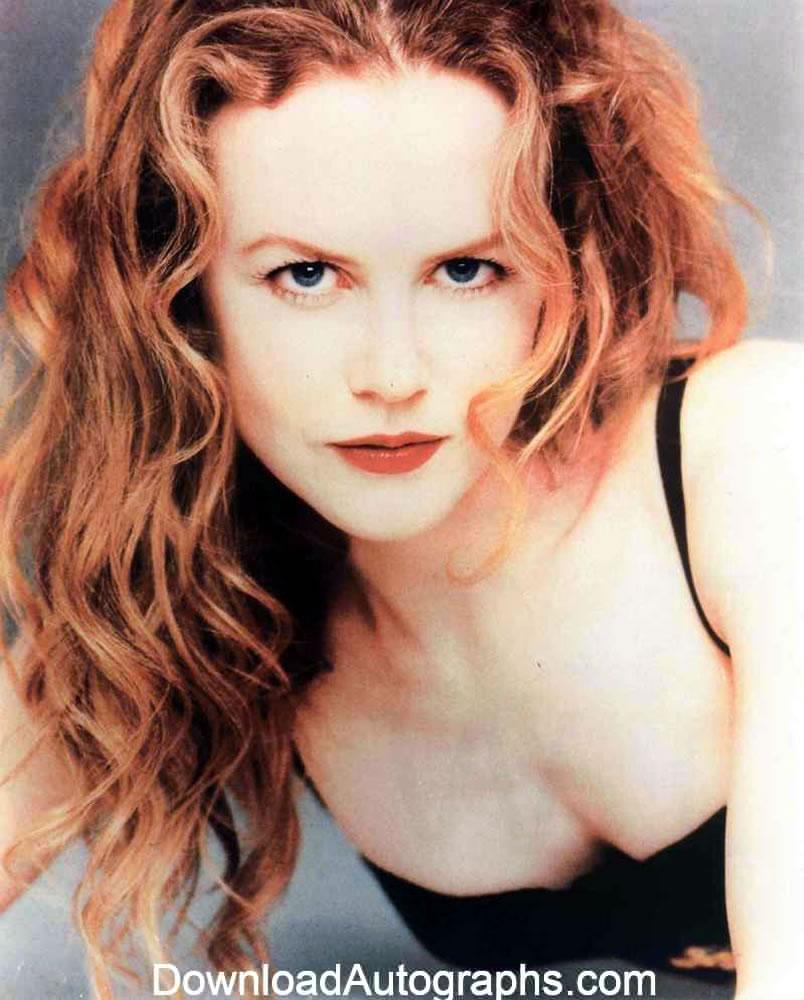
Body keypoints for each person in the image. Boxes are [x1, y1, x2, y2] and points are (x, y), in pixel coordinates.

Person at [0, 1, 802, 998]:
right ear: (179, 297)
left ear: (565, 263)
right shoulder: (203, 601)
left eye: (466, 270)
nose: (392, 373)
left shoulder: (758, 454)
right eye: (305, 275)